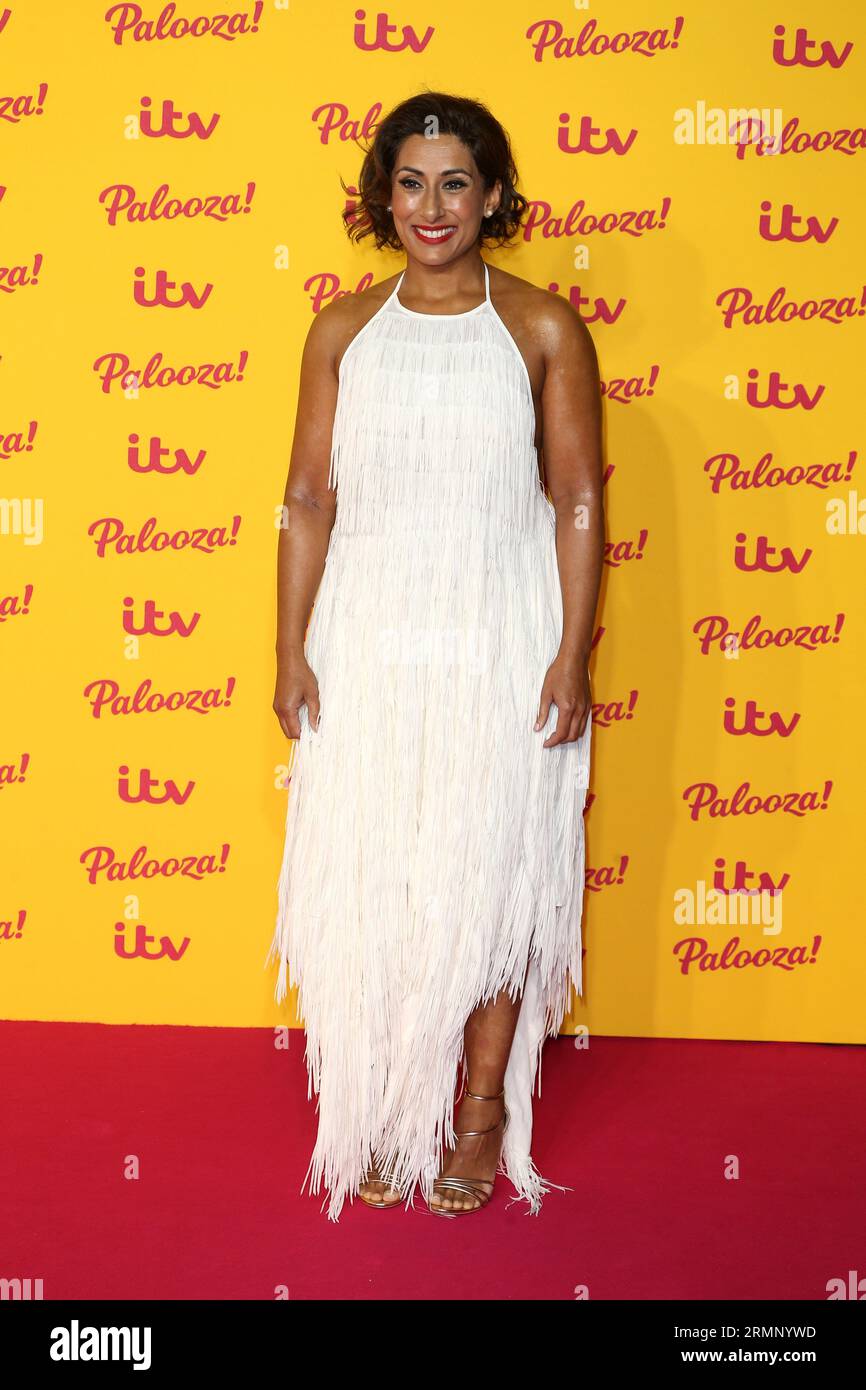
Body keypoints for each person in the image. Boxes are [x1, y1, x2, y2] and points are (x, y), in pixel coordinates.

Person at [266, 90, 603, 1221]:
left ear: (492, 195)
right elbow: (308, 496)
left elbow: (574, 500)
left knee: (492, 871)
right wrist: (290, 648)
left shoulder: (543, 327)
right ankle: (383, 1105)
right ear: (381, 195)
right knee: (385, 875)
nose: (430, 205)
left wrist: (568, 653)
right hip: (367, 637)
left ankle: (479, 1110)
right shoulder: (341, 329)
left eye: (454, 181)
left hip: (498, 636)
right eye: (409, 182)